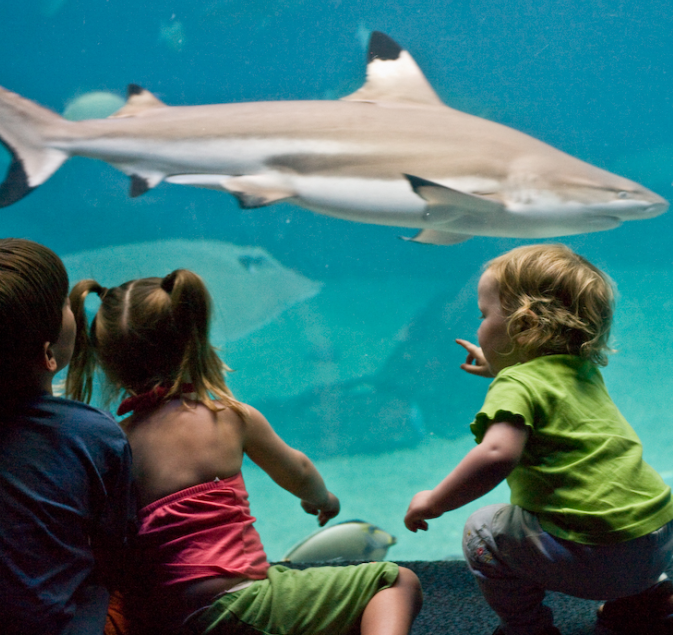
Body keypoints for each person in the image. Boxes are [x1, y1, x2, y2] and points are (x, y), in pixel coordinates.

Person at [66, 268, 422, 635]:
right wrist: (322, 498)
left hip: (158, 618)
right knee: (396, 582)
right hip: (238, 605)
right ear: (193, 337)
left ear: (104, 360)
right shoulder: (230, 418)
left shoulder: (113, 442)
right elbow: (297, 470)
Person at [404, 244, 673, 635]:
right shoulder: (582, 371)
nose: (479, 326)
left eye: (484, 315)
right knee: (608, 505)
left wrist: (435, 501)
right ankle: (649, 598)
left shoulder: (516, 383)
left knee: (481, 531)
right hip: (657, 537)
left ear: (523, 324)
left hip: (593, 556)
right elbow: (542, 383)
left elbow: (498, 454)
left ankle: (527, 626)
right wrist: (499, 366)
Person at [0, 238, 136, 635]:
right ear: (48, 354)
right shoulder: (93, 436)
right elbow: (119, 554)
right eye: (64, 303)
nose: (71, 307)